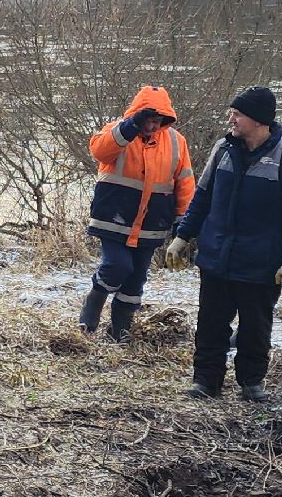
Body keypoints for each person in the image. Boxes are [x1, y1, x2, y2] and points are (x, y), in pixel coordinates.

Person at [165, 86, 282, 402]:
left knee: (255, 327)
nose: (231, 119)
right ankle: (206, 383)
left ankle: (251, 383)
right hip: (217, 257)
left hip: (261, 263)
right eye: (232, 113)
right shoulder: (223, 150)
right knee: (210, 325)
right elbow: (202, 197)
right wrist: (183, 236)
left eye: (238, 114)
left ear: (259, 120)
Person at [79, 85, 196, 342]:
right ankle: (95, 299)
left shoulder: (177, 142)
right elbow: (100, 151)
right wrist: (130, 126)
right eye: (148, 121)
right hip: (113, 219)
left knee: (136, 279)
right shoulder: (117, 132)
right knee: (117, 266)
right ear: (137, 116)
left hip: (152, 225)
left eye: (157, 122)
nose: (152, 127)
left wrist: (183, 223)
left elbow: (185, 183)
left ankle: (120, 330)